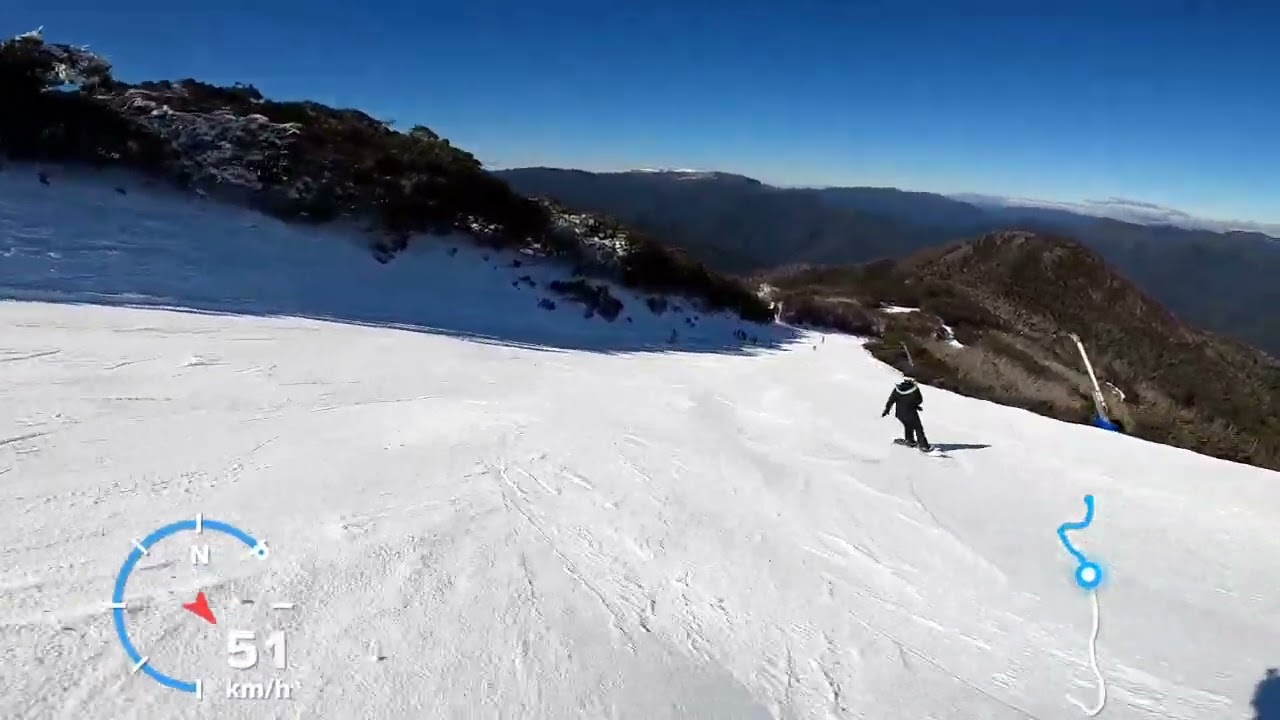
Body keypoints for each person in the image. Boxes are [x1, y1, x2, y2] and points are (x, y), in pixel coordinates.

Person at [882, 376, 931, 451]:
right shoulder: (914, 390)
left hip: (900, 414)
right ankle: (923, 445)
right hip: (910, 413)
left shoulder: (897, 389)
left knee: (908, 425)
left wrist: (887, 410)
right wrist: (914, 405)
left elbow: (891, 400)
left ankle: (910, 440)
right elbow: (919, 400)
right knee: (918, 428)